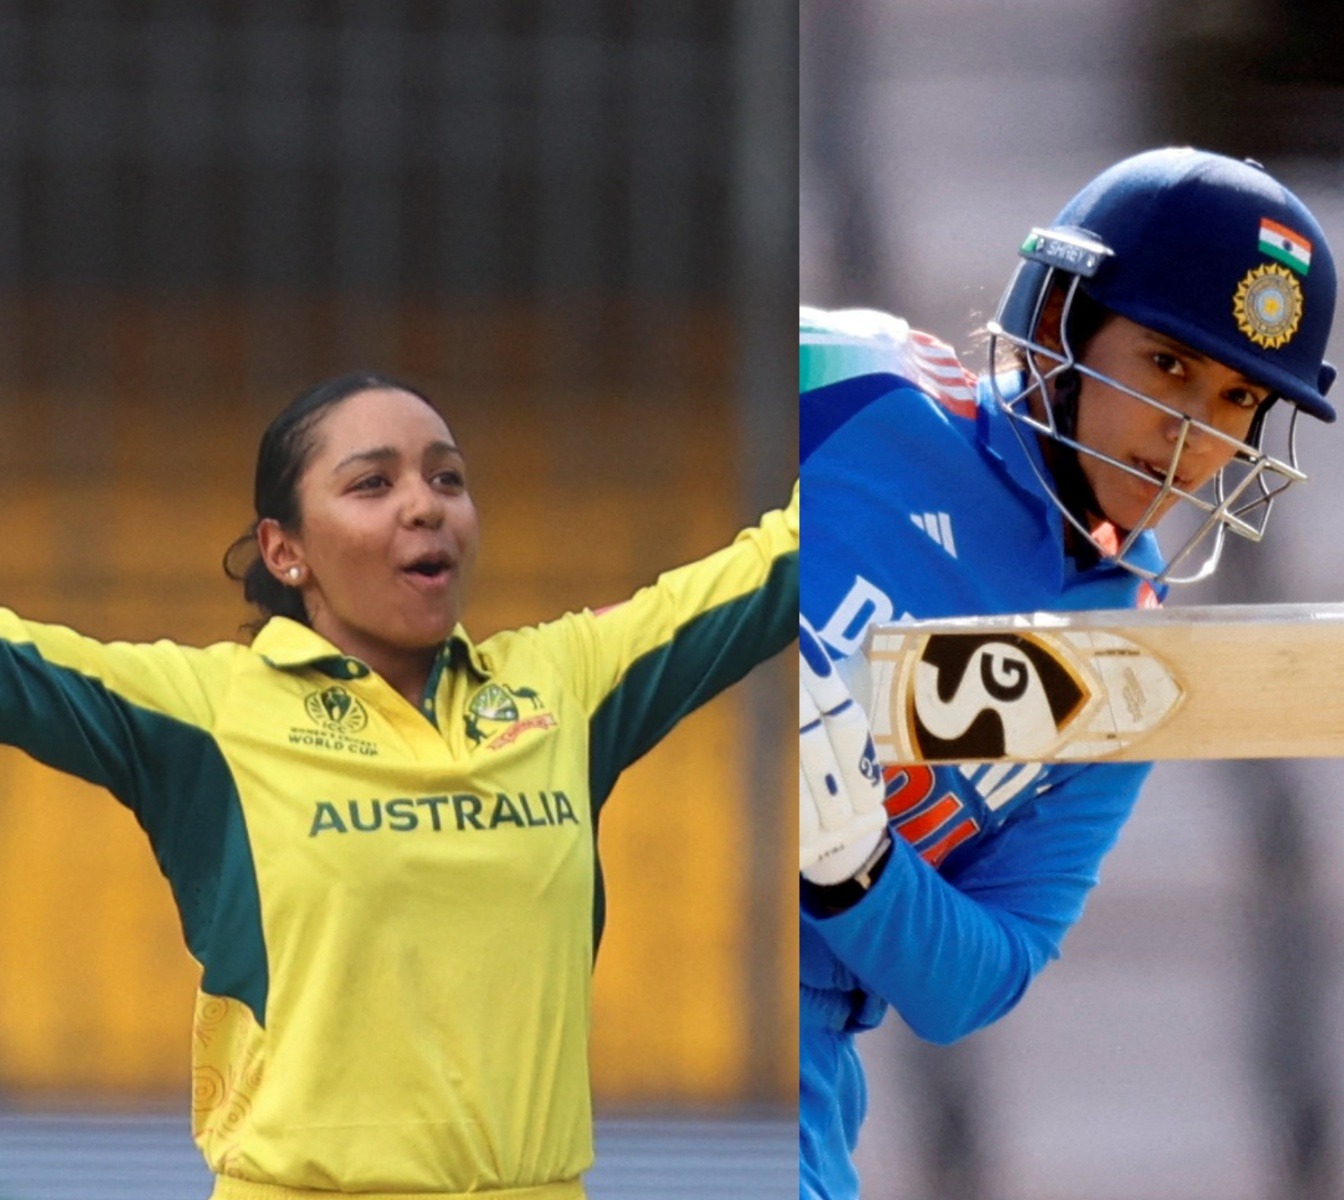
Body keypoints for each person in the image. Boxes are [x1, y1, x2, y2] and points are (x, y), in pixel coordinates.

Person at [0, 370, 796, 1198]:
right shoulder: (211, 713)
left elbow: (783, 562)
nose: (426, 505)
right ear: (286, 550)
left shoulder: (566, 684)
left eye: (447, 477)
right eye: (373, 483)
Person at [797, 147, 1340, 1198]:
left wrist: (851, 861)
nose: (1192, 437)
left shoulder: (1128, 658)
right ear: (1058, 321)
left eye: (1235, 399)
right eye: (1168, 366)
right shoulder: (847, 382)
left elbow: (978, 976)